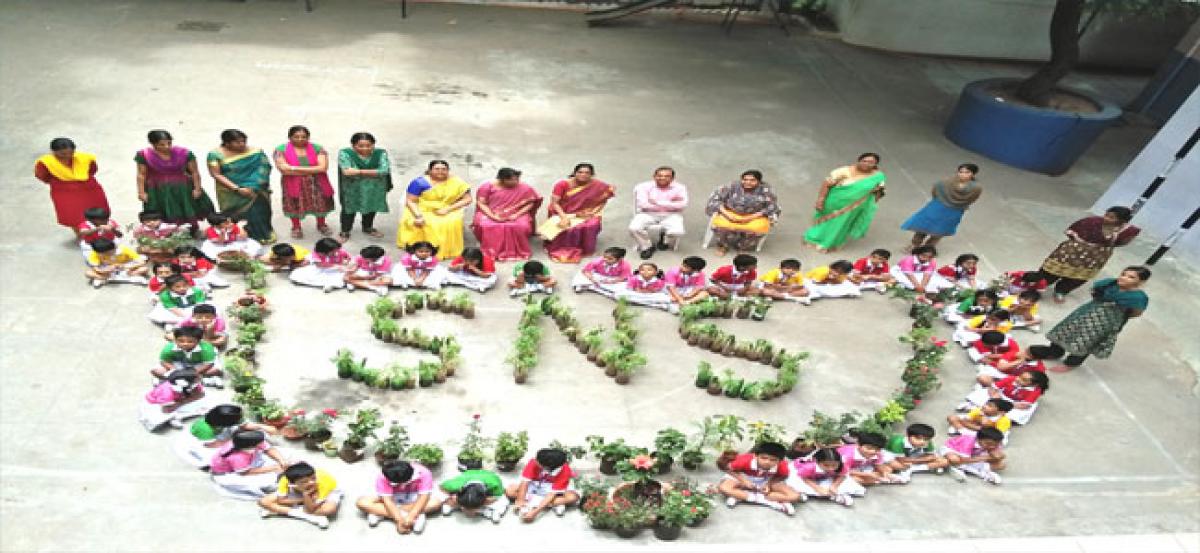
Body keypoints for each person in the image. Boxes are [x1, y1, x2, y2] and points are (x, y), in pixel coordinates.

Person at [1045, 266, 1150, 373]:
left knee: (1087, 341)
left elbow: (1136, 312)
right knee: (1067, 330)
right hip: (1085, 313)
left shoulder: (1138, 298)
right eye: (1123, 274)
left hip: (1105, 324)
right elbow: (1095, 293)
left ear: (1141, 281)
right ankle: (1055, 352)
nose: (1123, 278)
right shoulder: (1108, 284)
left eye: (1131, 277)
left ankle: (1071, 363)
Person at [1039, 207, 1140, 303]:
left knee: (1078, 277)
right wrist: (1084, 245)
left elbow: (1123, 242)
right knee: (1052, 271)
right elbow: (1071, 232)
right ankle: (1037, 286)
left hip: (1096, 257)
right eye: (1106, 214)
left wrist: (1103, 247)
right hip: (1073, 252)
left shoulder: (1127, 230)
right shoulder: (1092, 221)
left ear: (1121, 220)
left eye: (1111, 217)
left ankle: (1061, 291)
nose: (1106, 218)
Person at [804, 153, 886, 253]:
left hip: (855, 207)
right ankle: (814, 238)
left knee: (842, 224)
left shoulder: (878, 176)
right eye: (864, 161)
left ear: (875, 164)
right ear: (859, 161)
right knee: (827, 221)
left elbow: (879, 192)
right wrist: (820, 200)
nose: (867, 164)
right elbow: (826, 184)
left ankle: (830, 244)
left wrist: (870, 204)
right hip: (834, 202)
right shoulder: (844, 171)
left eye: (871, 162)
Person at [135, 129, 215, 230]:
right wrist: (141, 192)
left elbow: (195, 172)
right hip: (157, 189)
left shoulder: (184, 153)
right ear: (153, 144)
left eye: (169, 143)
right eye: (162, 144)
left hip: (182, 188)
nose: (167, 147)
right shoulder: (144, 155)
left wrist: (197, 189)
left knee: (186, 209)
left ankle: (190, 231)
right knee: (160, 213)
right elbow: (141, 174)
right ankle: (165, 233)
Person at [539, 163, 615, 263]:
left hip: (585, 212)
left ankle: (585, 249)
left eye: (587, 173)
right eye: (580, 172)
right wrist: (564, 217)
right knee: (569, 227)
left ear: (592, 174)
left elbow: (608, 192)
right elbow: (555, 203)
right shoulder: (562, 184)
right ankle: (561, 248)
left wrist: (591, 210)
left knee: (591, 224)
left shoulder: (596, 184)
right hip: (563, 211)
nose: (583, 175)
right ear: (574, 173)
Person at [34, 137, 111, 236]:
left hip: (89, 190)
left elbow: (92, 170)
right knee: (73, 217)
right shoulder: (45, 163)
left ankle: (103, 233)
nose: (67, 156)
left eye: (71, 153)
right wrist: (59, 182)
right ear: (53, 152)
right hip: (63, 192)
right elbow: (42, 176)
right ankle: (83, 236)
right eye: (62, 154)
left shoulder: (85, 158)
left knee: (98, 213)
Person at [208, 129, 274, 243]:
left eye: (244, 141)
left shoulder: (256, 152)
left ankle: (262, 233)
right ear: (227, 143)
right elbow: (216, 174)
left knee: (260, 211)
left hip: (256, 189)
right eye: (237, 142)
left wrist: (253, 186)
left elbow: (264, 167)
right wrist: (237, 189)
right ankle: (236, 234)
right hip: (231, 191)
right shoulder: (215, 155)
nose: (242, 144)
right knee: (235, 215)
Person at [397, 159, 472, 260]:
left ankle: (444, 248)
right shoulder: (420, 182)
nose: (440, 171)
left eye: (444, 169)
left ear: (448, 170)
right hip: (422, 209)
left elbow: (468, 199)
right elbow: (410, 201)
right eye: (437, 169)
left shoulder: (457, 182)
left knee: (451, 221)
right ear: (430, 170)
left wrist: (448, 209)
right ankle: (421, 248)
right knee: (426, 223)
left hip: (447, 208)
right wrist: (418, 216)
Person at [901, 163, 983, 250]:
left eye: (967, 172)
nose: (963, 175)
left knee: (941, 230)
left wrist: (958, 205)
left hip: (954, 211)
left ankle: (928, 248)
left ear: (973, 174)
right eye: (961, 172)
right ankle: (915, 244)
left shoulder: (976, 188)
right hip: (937, 207)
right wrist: (941, 201)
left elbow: (971, 199)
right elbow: (935, 191)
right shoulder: (946, 182)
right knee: (924, 226)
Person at [275, 125, 335, 239]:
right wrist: (312, 170)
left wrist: (293, 168)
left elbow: (322, 168)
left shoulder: (318, 148)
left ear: (308, 137)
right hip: (293, 183)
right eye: (296, 137)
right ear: (289, 137)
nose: (300, 139)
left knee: (320, 203)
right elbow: (284, 170)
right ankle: (296, 227)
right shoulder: (280, 150)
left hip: (316, 182)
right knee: (294, 203)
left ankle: (321, 224)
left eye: (303, 137)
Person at [173, 404, 275, 469]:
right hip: (204, 443)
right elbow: (212, 444)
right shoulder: (204, 429)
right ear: (226, 422)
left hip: (219, 434)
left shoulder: (227, 416)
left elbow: (245, 425)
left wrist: (264, 426)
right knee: (217, 459)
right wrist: (240, 440)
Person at [703, 169, 780, 256]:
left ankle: (742, 247)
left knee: (758, 228)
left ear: (759, 181)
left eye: (752, 180)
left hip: (755, 216)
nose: (748, 182)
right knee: (720, 225)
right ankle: (723, 246)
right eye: (745, 179)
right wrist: (727, 214)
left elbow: (772, 206)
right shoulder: (732, 186)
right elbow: (715, 200)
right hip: (730, 213)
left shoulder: (766, 190)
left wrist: (751, 217)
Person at [472, 167, 542, 261]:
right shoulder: (487, 187)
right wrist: (493, 216)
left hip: (517, 213)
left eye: (517, 179)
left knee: (521, 226)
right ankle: (493, 251)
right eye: (513, 180)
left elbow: (531, 202)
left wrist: (516, 215)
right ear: (503, 179)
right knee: (487, 225)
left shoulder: (524, 187)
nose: (517, 182)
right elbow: (481, 203)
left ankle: (516, 252)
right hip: (491, 212)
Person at [356, 460, 442, 535]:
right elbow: (387, 501)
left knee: (435, 503)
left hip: (413, 497)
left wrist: (412, 515)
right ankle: (415, 515)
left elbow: (424, 496)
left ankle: (380, 513)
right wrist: (399, 520)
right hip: (392, 497)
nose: (400, 486)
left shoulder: (424, 473)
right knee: (362, 502)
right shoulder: (383, 475)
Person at [337, 132, 391, 242]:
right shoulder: (345, 153)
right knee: (349, 210)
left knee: (371, 207)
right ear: (353, 146)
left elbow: (384, 171)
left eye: (369, 145)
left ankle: (368, 227)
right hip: (352, 189)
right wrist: (374, 172)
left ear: (373, 145)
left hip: (374, 189)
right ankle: (345, 231)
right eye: (360, 146)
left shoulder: (381, 153)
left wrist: (358, 171)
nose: (365, 148)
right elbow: (347, 172)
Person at [717, 442, 798, 515]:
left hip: (766, 479)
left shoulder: (782, 466)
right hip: (744, 477)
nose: (767, 462)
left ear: (780, 461)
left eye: (773, 460)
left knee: (794, 496)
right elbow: (727, 468)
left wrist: (768, 484)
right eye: (764, 458)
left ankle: (740, 496)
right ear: (755, 456)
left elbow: (783, 476)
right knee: (724, 487)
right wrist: (743, 480)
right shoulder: (745, 460)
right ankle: (771, 502)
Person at [259, 462, 343, 529]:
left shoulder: (323, 483)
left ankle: (280, 510)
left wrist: (306, 495)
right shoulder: (285, 480)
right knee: (263, 502)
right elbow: (281, 500)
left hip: (328, 491)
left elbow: (310, 510)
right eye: (304, 481)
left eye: (313, 478)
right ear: (291, 483)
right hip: (298, 490)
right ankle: (312, 518)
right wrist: (303, 499)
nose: (311, 482)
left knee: (329, 510)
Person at [505, 448, 581, 522]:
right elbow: (525, 482)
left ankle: (535, 503)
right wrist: (520, 501)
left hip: (552, 489)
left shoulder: (565, 470)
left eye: (538, 462)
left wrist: (535, 512)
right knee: (509, 491)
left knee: (573, 497)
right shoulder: (534, 461)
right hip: (535, 486)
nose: (535, 461)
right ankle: (552, 504)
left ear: (546, 466)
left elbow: (552, 494)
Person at [209, 430, 287, 500]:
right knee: (265, 481)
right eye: (259, 443)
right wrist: (273, 468)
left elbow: (268, 449)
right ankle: (266, 488)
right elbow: (245, 472)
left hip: (243, 464)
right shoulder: (237, 457)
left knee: (279, 460)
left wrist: (281, 460)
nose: (262, 443)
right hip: (228, 475)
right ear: (250, 445)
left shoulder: (246, 442)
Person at [629, 166, 688, 259]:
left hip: (671, 215)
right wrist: (671, 203)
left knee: (678, 231)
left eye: (667, 176)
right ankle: (647, 247)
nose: (663, 178)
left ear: (672, 178)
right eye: (659, 175)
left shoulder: (680, 188)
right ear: (654, 176)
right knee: (634, 228)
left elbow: (682, 205)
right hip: (647, 213)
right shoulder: (643, 187)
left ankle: (665, 239)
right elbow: (643, 205)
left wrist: (657, 202)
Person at [960, 371, 1049, 426]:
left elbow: (1024, 405)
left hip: (1014, 404)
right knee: (983, 394)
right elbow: (993, 387)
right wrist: (994, 397)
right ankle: (975, 408)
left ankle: (989, 417)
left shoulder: (1035, 391)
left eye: (1024, 380)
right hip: (1000, 396)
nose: (1018, 379)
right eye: (1020, 376)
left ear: (1034, 384)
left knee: (1015, 414)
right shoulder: (1011, 379)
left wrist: (1004, 404)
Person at [137, 368, 208, 432]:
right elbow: (166, 409)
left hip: (176, 400)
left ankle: (177, 416)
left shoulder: (190, 384)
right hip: (156, 406)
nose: (200, 378)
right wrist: (181, 403)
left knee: (202, 403)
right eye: (196, 379)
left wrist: (181, 402)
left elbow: (201, 394)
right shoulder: (167, 392)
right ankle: (174, 418)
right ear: (184, 383)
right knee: (160, 417)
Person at [784, 448, 856, 507]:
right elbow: (804, 477)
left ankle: (835, 494)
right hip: (801, 473)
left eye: (834, 465)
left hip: (822, 476)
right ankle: (803, 493)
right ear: (817, 461)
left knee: (843, 482)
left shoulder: (841, 466)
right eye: (826, 465)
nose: (831, 468)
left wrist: (834, 486)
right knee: (796, 483)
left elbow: (842, 475)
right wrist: (817, 488)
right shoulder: (809, 467)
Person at [439, 468, 509, 523]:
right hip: (467, 479)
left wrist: (488, 501)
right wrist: (451, 497)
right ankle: (486, 512)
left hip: (489, 487)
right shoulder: (455, 485)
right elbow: (441, 487)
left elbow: (497, 497)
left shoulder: (495, 484)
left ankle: (492, 512)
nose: (468, 514)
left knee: (503, 502)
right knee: (444, 497)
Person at [154, 324, 220, 382]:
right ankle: (187, 378)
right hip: (178, 364)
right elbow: (163, 361)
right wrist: (174, 370)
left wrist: (194, 372)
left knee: (216, 370)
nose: (185, 344)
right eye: (181, 341)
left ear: (198, 341)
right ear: (175, 340)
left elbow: (208, 364)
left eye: (190, 342)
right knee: (156, 370)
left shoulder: (206, 348)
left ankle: (179, 378)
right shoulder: (169, 348)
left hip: (199, 365)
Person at [941, 427, 1006, 484]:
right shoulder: (968, 441)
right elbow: (963, 459)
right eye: (988, 444)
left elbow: (999, 454)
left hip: (972, 455)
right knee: (955, 459)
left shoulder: (994, 443)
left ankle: (959, 468)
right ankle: (982, 473)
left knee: (1001, 465)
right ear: (978, 439)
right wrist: (986, 457)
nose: (992, 446)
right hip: (953, 451)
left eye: (996, 444)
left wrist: (998, 456)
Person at [838, 432, 906, 486]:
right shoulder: (848, 455)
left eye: (877, 449)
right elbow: (845, 471)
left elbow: (878, 465)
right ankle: (875, 480)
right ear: (858, 445)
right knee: (857, 479)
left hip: (862, 467)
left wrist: (884, 473)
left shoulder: (878, 453)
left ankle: (878, 479)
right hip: (841, 469)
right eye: (869, 448)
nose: (872, 451)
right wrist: (868, 475)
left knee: (887, 470)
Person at [883, 423, 950, 478]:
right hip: (894, 457)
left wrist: (929, 458)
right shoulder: (898, 442)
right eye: (918, 438)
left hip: (913, 457)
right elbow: (901, 459)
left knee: (944, 461)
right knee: (896, 465)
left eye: (926, 439)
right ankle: (908, 468)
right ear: (908, 435)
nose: (922, 442)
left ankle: (911, 469)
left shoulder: (927, 442)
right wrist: (925, 459)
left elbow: (931, 454)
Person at [978, 344, 1060, 383]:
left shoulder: (1039, 369)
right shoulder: (1017, 353)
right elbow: (1001, 367)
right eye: (1026, 350)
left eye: (1027, 353)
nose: (1023, 352)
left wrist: (1021, 361)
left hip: (1014, 381)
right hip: (999, 372)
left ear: (1035, 358)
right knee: (983, 378)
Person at [948, 398, 1013, 437]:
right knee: (952, 417)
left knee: (988, 439)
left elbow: (997, 435)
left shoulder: (1004, 420)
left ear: (1001, 412)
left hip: (989, 433)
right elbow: (966, 420)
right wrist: (969, 424)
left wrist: (982, 427)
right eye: (986, 404)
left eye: (990, 406)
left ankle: (961, 431)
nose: (984, 406)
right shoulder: (979, 410)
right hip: (975, 426)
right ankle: (964, 432)